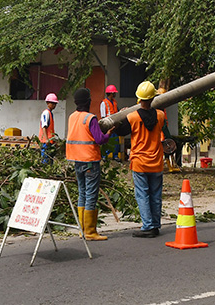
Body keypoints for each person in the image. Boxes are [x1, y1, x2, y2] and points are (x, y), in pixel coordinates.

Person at [112, 80, 172, 238]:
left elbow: (120, 131)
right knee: (155, 194)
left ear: (139, 99)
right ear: (153, 98)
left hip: (140, 162)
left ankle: (148, 226)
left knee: (142, 195)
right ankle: (156, 224)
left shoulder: (132, 117)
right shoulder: (159, 116)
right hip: (156, 161)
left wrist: (123, 114)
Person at [67, 87, 112, 241]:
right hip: (90, 161)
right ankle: (90, 232)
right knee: (91, 194)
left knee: (82, 193)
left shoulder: (72, 117)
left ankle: (82, 230)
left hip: (77, 160)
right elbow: (99, 139)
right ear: (88, 101)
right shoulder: (90, 118)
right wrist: (108, 134)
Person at [99, 84, 120, 160]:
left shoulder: (115, 102)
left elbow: (117, 111)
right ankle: (104, 155)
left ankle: (115, 155)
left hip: (115, 123)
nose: (115, 94)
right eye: (114, 93)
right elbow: (103, 116)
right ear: (111, 93)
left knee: (116, 140)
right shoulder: (104, 103)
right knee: (107, 140)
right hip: (108, 124)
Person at [39, 93, 59, 164]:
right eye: (52, 103)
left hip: (50, 141)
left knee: (50, 160)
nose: (54, 105)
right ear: (47, 103)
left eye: (55, 104)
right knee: (45, 160)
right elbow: (44, 127)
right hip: (46, 142)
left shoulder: (50, 113)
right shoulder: (46, 113)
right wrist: (47, 139)